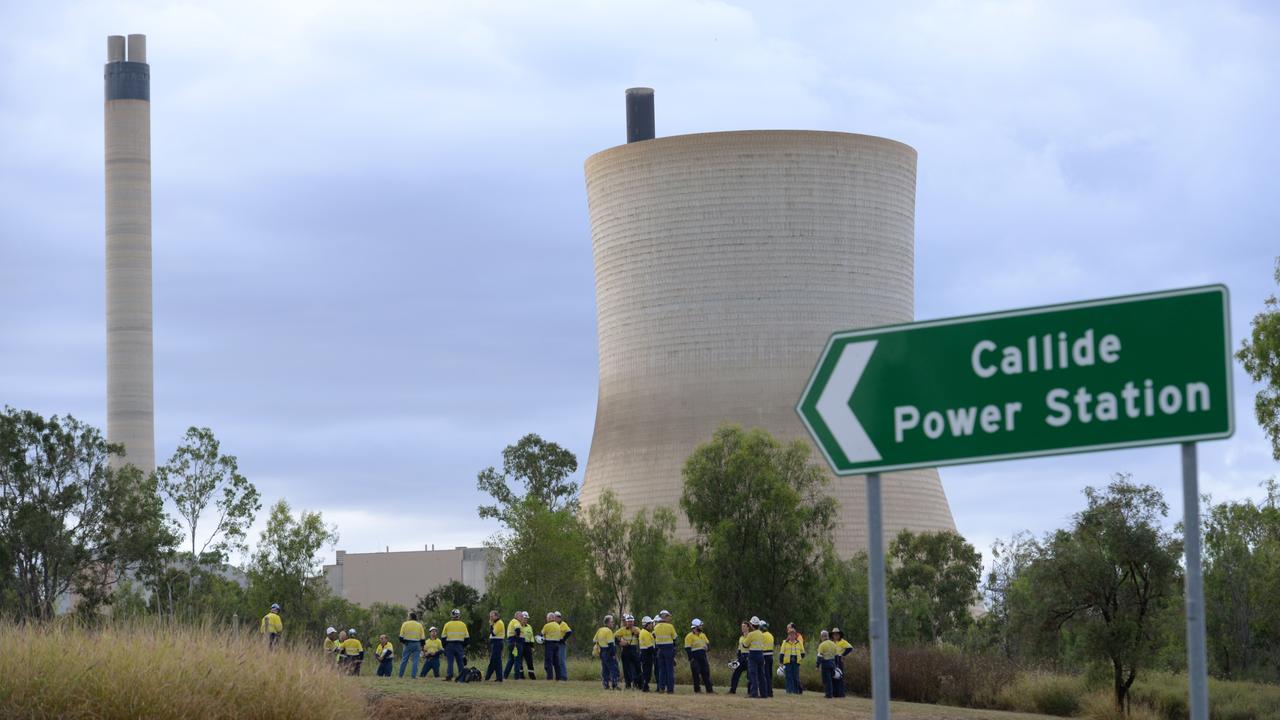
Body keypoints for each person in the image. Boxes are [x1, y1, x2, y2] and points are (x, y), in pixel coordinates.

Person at [683, 618, 714, 693]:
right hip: (694, 657)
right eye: (700, 625)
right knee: (696, 674)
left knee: (706, 673)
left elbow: (708, 646)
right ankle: (697, 690)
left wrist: (707, 648)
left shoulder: (703, 635)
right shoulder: (689, 636)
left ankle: (709, 690)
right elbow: (687, 648)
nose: (702, 627)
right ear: (696, 627)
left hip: (703, 656)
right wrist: (691, 659)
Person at [652, 610, 677, 694]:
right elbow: (675, 638)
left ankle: (661, 688)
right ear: (665, 617)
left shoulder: (656, 627)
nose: (669, 618)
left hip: (660, 649)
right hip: (668, 648)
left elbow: (654, 636)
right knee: (669, 669)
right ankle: (670, 689)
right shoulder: (670, 626)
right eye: (668, 616)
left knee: (661, 670)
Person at [592, 614, 620, 690]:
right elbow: (611, 644)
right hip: (609, 652)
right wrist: (613, 654)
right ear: (608, 623)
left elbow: (594, 640)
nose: (613, 623)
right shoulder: (609, 631)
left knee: (605, 669)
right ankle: (615, 684)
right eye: (612, 622)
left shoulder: (600, 630)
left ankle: (605, 684)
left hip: (602, 651)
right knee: (614, 669)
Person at [441, 608, 470, 680]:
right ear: (459, 616)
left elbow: (443, 637)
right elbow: (467, 638)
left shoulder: (447, 624)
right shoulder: (463, 625)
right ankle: (461, 676)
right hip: (459, 645)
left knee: (450, 662)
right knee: (460, 662)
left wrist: (445, 646)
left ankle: (449, 676)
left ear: (451, 615)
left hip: (449, 645)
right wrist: (463, 646)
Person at [398, 611, 427, 678]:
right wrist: (422, 646)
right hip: (417, 644)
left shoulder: (405, 624)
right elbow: (423, 637)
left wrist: (404, 643)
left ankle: (400, 675)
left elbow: (401, 636)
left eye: (408, 616)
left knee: (404, 659)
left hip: (407, 643)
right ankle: (413, 676)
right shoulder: (419, 625)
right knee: (415, 660)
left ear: (410, 617)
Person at [614, 614, 639, 689]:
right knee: (626, 668)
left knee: (636, 667)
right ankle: (628, 684)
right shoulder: (622, 630)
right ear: (626, 622)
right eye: (628, 621)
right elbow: (613, 636)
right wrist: (619, 642)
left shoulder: (637, 629)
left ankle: (636, 683)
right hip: (625, 649)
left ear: (633, 622)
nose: (630, 623)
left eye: (631, 621)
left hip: (634, 649)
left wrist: (637, 634)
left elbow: (642, 637)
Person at [746, 616, 767, 699]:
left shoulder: (751, 634)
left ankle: (754, 693)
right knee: (761, 674)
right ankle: (764, 693)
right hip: (761, 654)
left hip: (753, 655)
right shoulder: (761, 634)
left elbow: (745, 644)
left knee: (753, 674)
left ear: (751, 625)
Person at [779, 626, 805, 694]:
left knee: (796, 677)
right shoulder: (785, 642)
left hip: (796, 661)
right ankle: (789, 691)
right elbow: (781, 653)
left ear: (795, 635)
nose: (792, 635)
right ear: (788, 635)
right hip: (787, 661)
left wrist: (799, 658)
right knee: (788, 677)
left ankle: (796, 691)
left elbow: (803, 653)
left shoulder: (799, 643)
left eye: (793, 634)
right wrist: (781, 662)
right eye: (790, 634)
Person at [540, 612, 566, 680]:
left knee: (549, 661)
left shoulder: (547, 625)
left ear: (549, 618)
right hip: (557, 644)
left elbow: (542, 634)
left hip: (549, 644)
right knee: (556, 662)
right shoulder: (558, 625)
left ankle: (550, 677)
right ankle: (558, 677)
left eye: (547, 618)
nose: (546, 619)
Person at [728, 621, 751, 695]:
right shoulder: (741, 638)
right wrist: (738, 658)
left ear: (748, 627)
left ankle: (750, 691)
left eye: (744, 626)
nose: (742, 628)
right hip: (742, 658)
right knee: (736, 674)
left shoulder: (750, 636)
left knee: (750, 675)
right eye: (742, 626)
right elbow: (739, 649)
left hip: (749, 657)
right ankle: (732, 690)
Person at [831, 627, 853, 698]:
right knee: (833, 676)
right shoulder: (832, 642)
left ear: (839, 635)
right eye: (834, 634)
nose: (835, 636)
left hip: (838, 659)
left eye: (837, 634)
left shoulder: (843, 642)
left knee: (839, 676)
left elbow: (850, 648)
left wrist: (843, 655)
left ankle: (841, 693)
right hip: (832, 659)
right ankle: (834, 693)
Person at [816, 630, 838, 699]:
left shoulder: (822, 645)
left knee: (826, 680)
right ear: (827, 636)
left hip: (825, 663)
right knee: (831, 680)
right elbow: (836, 655)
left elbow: (820, 656)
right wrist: (836, 665)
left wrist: (817, 665)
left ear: (822, 637)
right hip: (832, 663)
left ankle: (828, 694)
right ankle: (831, 693)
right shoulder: (833, 644)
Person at [484, 610, 505, 682]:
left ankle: (490, 677)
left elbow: (493, 633)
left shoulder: (499, 623)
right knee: (495, 660)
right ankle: (497, 677)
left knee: (495, 661)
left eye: (492, 616)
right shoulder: (496, 623)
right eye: (490, 616)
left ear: (496, 616)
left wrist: (490, 625)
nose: (490, 618)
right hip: (495, 643)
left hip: (497, 643)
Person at [503, 611, 525, 679]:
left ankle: (504, 675)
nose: (522, 618)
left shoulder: (512, 621)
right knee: (517, 660)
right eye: (521, 616)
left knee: (511, 660)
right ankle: (517, 677)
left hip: (511, 642)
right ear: (517, 616)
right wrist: (517, 639)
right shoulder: (516, 622)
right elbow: (517, 630)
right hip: (516, 643)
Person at [637, 616, 655, 692]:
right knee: (647, 671)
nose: (652, 625)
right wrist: (656, 653)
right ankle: (645, 686)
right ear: (647, 624)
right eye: (651, 623)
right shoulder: (645, 633)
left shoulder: (645, 632)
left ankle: (645, 686)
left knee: (646, 671)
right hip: (646, 654)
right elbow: (650, 647)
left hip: (644, 653)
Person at [760, 620, 776, 697]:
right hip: (770, 656)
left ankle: (767, 692)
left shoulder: (762, 636)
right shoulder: (770, 635)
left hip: (765, 656)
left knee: (765, 675)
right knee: (769, 675)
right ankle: (770, 691)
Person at [555, 611, 571, 681]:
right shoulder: (553, 624)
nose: (557, 618)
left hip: (561, 644)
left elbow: (569, 632)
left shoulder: (563, 624)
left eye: (558, 617)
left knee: (562, 660)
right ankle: (558, 676)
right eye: (556, 617)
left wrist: (563, 639)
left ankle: (564, 676)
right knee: (557, 661)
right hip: (555, 643)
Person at [520, 611, 536, 677]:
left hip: (527, 645)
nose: (525, 620)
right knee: (519, 661)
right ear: (521, 618)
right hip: (520, 644)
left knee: (529, 661)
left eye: (526, 619)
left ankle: (532, 676)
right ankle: (521, 676)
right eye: (524, 618)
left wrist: (532, 646)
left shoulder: (529, 627)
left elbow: (531, 637)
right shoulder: (518, 625)